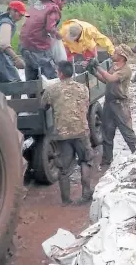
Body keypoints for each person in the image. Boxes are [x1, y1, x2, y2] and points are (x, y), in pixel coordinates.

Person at [41, 61, 95, 206]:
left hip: (62, 135)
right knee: (86, 161)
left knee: (63, 168)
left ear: (60, 73)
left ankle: (66, 200)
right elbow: (86, 105)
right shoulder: (83, 88)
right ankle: (86, 194)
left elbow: (43, 106)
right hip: (81, 132)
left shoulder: (52, 90)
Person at [91, 44, 136, 165]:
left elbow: (111, 78)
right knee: (107, 133)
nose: (113, 54)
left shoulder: (125, 70)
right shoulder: (114, 66)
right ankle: (107, 159)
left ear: (122, 56)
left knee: (127, 133)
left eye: (115, 53)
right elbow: (106, 80)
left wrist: (97, 66)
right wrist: (94, 73)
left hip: (120, 105)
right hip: (109, 104)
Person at [20, 0, 69, 81]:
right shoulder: (53, 8)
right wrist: (59, 35)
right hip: (38, 45)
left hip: (24, 44)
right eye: (64, 3)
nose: (63, 6)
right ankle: (60, 91)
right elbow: (50, 28)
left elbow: (26, 21)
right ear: (59, 0)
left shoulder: (35, 4)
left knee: (31, 71)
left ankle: (32, 94)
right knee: (51, 73)